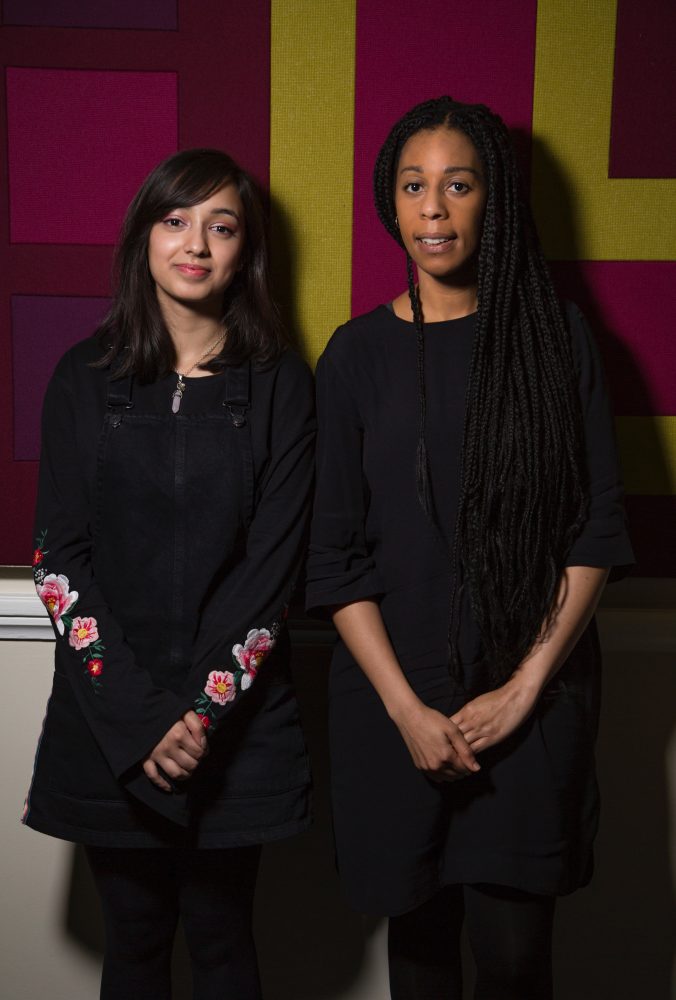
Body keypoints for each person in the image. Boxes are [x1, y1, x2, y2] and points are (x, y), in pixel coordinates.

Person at [306, 97, 633, 999]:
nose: (435, 210)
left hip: (530, 701)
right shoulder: (354, 358)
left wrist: (524, 689)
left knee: (516, 958)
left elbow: (595, 526)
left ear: (493, 199)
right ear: (391, 201)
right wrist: (410, 712)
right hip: (394, 705)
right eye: (415, 187)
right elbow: (333, 558)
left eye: (459, 185)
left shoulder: (555, 340)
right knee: (418, 958)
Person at [23, 148, 315, 1000]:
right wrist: (144, 719)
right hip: (109, 720)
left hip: (236, 729)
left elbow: (275, 570)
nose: (197, 243)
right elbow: (58, 561)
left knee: (225, 947)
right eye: (177, 220)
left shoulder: (282, 387)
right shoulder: (83, 376)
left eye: (221, 226)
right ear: (144, 237)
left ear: (245, 251)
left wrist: (199, 713)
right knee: (136, 945)